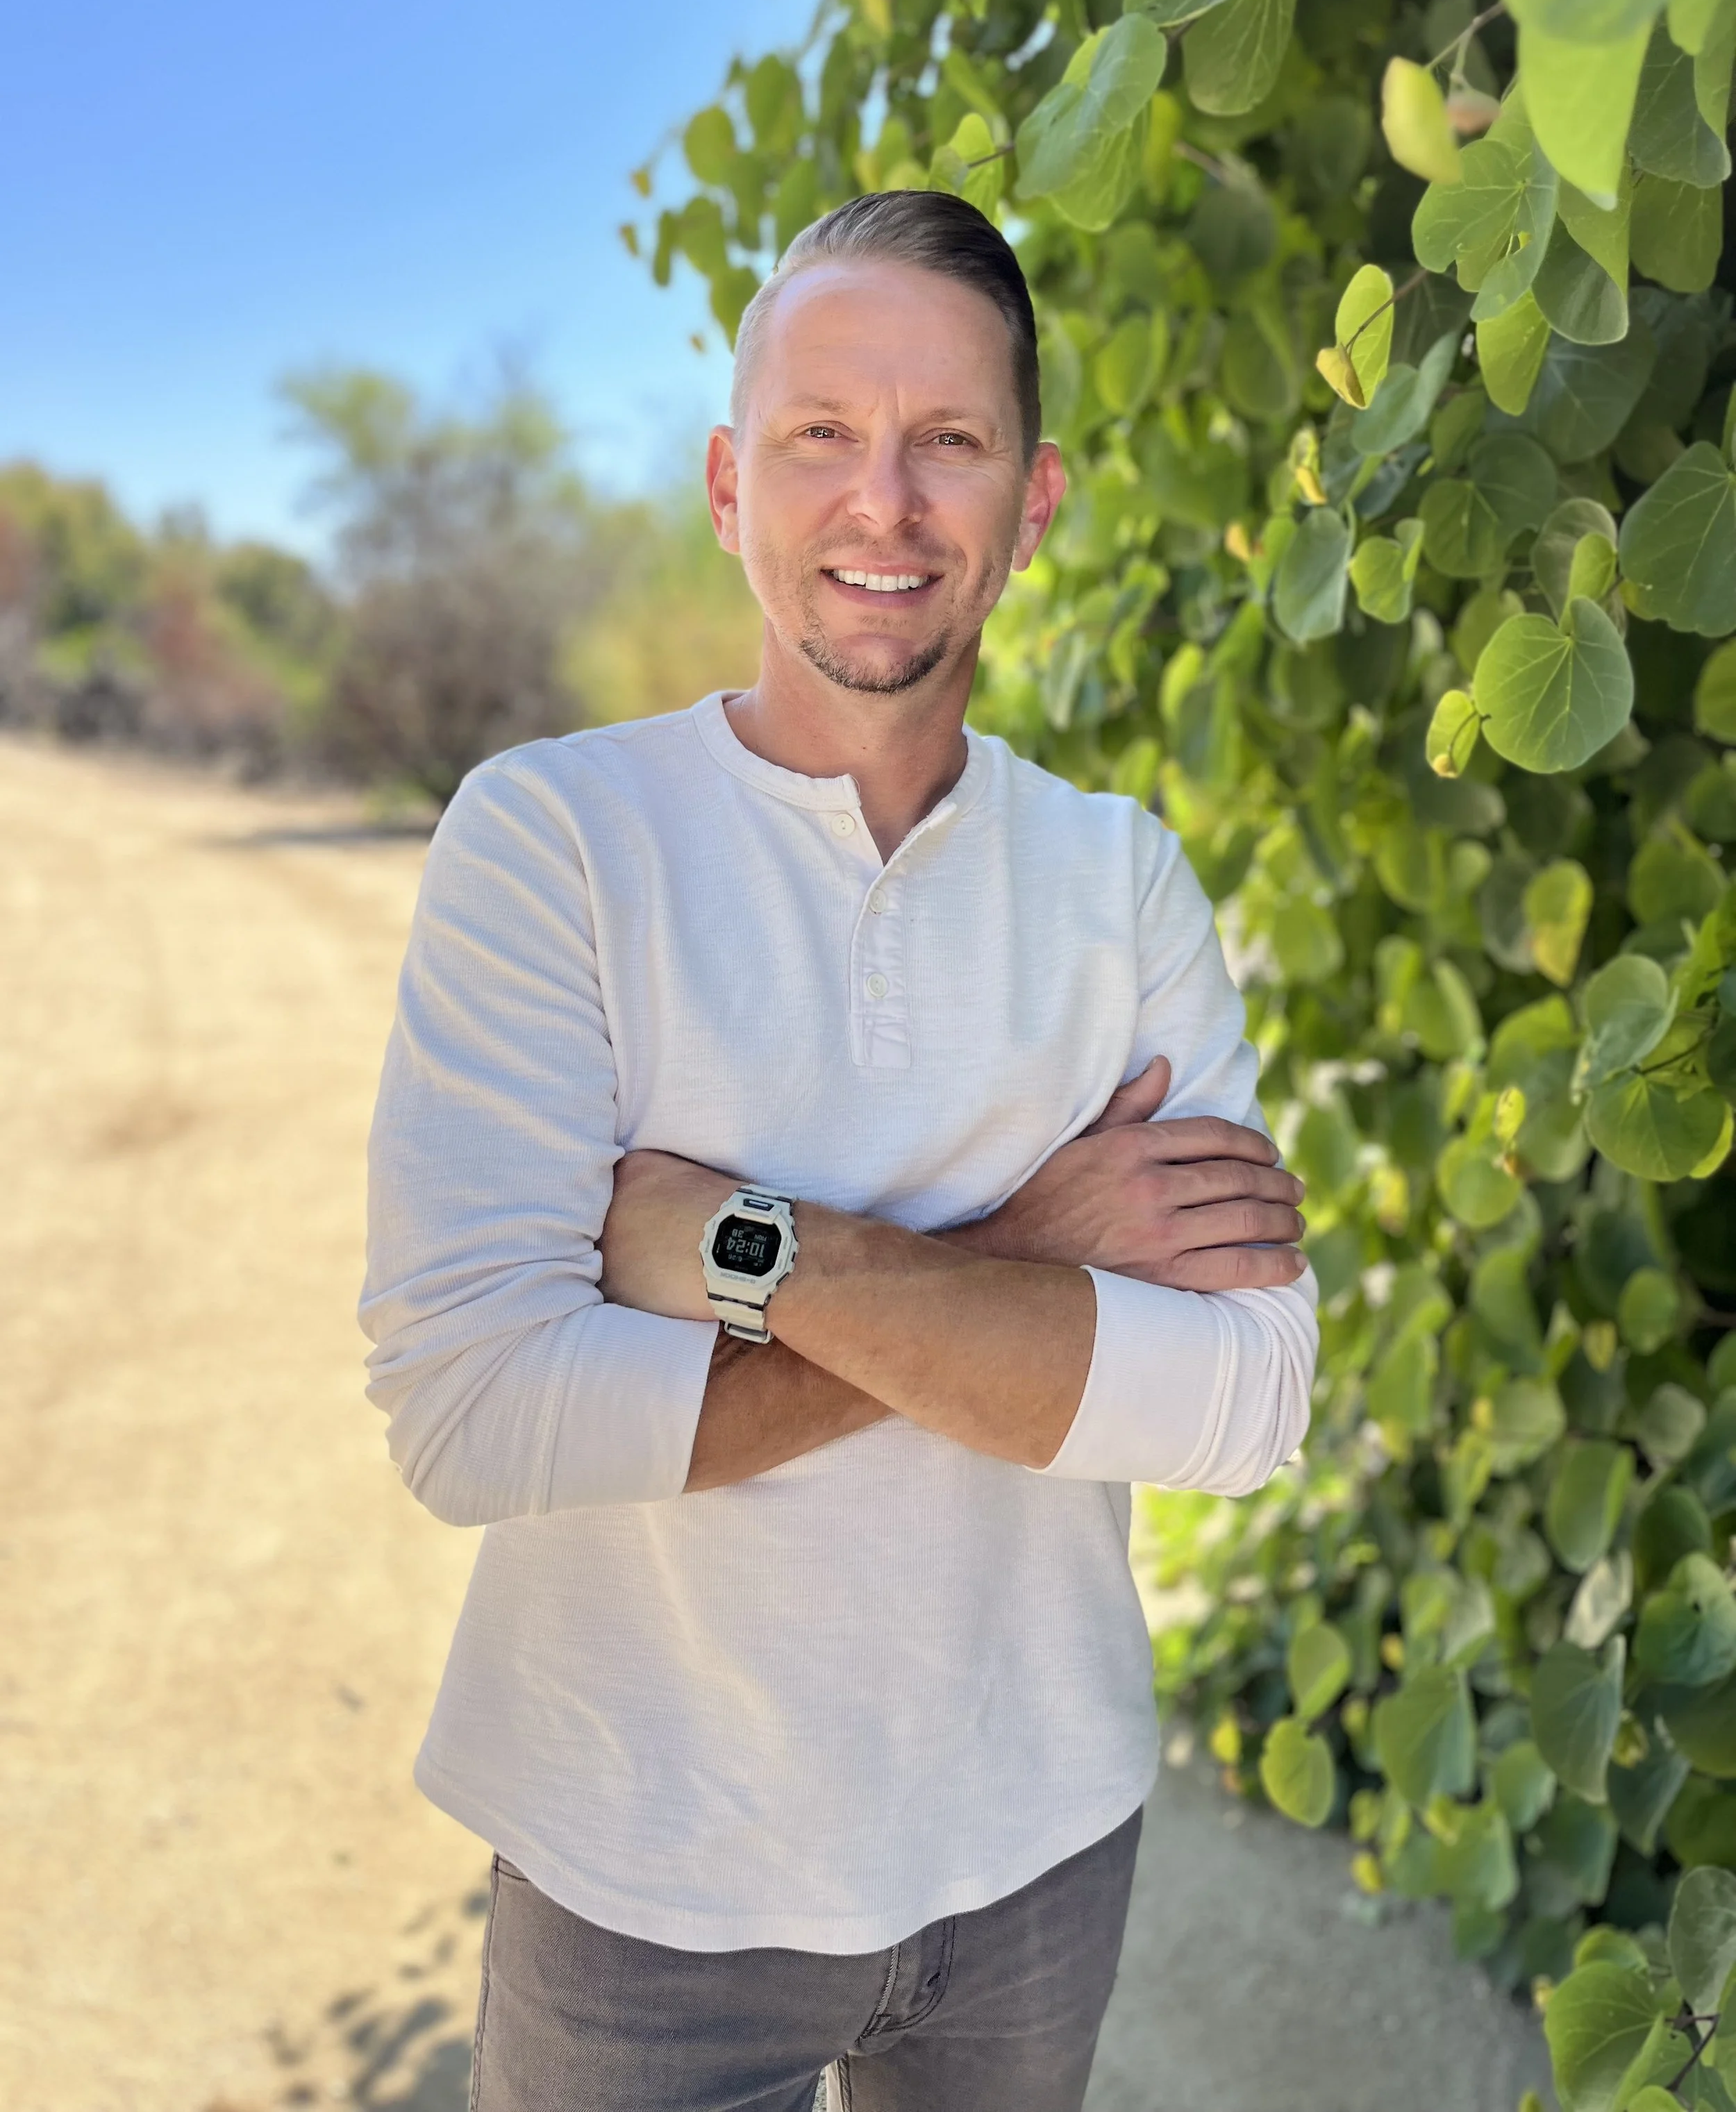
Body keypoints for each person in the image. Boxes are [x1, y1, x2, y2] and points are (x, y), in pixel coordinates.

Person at [360, 189, 1319, 2112]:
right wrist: (1031, 1249)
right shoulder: (556, 839)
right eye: (821, 433)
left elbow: (1242, 1399)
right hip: (641, 1868)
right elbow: (474, 1411)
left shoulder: (1117, 873)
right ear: (731, 483)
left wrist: (736, 1246)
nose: (883, 500)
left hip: (1036, 1832)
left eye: (949, 438)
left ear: (1032, 501)